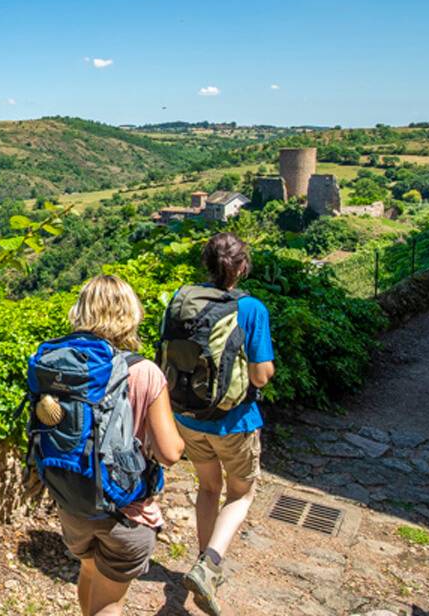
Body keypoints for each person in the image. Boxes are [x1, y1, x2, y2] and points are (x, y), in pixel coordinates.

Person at [57, 275, 186, 616]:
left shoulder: (64, 365)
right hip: (125, 512)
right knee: (111, 603)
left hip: (74, 502)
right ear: (131, 313)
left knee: (88, 571)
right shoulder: (145, 372)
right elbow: (170, 453)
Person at [173, 234, 275, 616]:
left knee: (207, 487)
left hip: (188, 415)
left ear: (206, 263)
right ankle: (209, 564)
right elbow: (261, 376)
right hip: (234, 421)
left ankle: (204, 561)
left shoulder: (183, 299)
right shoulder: (251, 309)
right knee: (241, 495)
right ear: (243, 267)